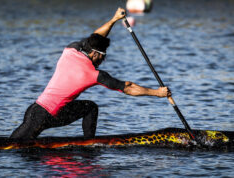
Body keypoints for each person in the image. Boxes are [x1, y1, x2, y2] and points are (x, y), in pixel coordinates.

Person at [10, 8, 171, 140]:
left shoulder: (71, 50)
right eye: (103, 56)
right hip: (43, 117)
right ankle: (88, 143)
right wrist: (157, 93)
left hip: (35, 111)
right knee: (12, 148)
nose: (103, 59)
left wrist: (114, 19)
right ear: (94, 54)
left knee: (90, 107)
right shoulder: (93, 74)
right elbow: (127, 87)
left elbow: (96, 37)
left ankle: (88, 143)